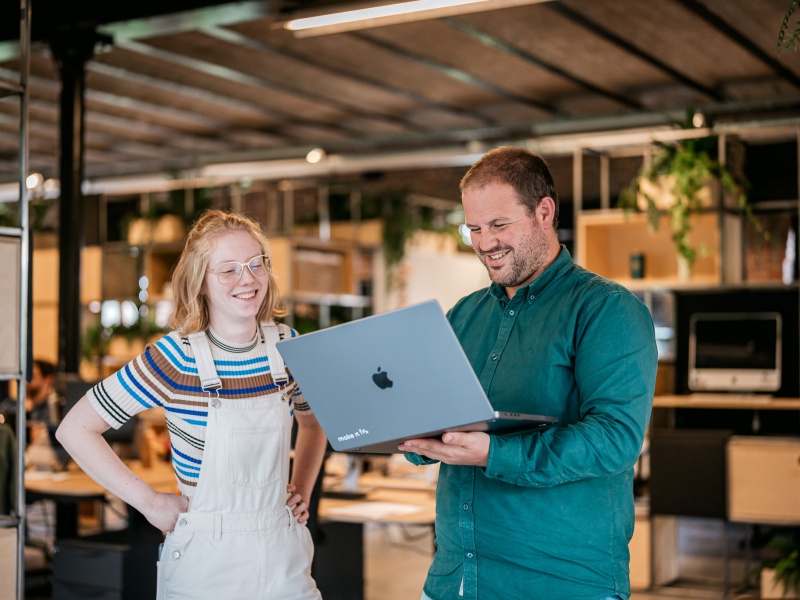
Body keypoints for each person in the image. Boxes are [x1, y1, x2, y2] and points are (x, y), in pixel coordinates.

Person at [398, 146, 658, 600]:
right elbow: (440, 419)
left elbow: (615, 439)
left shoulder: (607, 311)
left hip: (558, 583)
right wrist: (410, 434)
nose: (485, 242)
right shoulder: (463, 315)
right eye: (473, 229)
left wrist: (492, 454)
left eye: (499, 225)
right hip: (455, 580)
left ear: (544, 212)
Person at [56, 209, 329, 599]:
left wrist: (301, 488)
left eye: (256, 264)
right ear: (200, 281)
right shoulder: (176, 357)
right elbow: (75, 429)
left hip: (284, 557)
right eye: (229, 270)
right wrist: (148, 502)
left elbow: (314, 422)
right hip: (207, 562)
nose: (247, 279)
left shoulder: (287, 346)